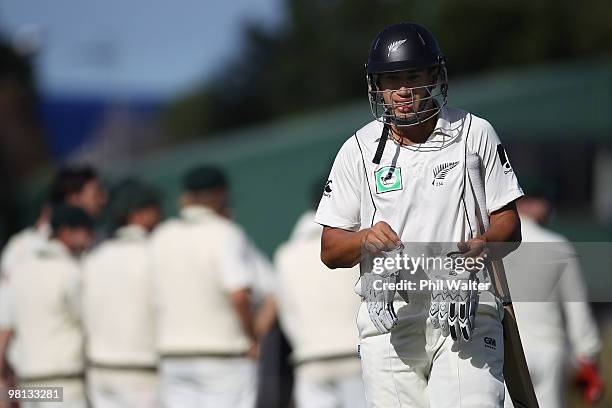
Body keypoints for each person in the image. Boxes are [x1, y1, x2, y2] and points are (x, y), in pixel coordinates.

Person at [315, 22, 523, 407]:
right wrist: (364, 238)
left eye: (413, 76)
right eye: (392, 80)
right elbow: (330, 250)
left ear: (434, 75)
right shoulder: (357, 149)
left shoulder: (474, 133)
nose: (404, 90)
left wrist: (484, 243)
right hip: (390, 319)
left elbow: (509, 223)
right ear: (377, 87)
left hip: (466, 308)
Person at [150, 165, 258, 408]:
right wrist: (252, 337)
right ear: (220, 194)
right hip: (220, 358)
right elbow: (239, 295)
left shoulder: (161, 236)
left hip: (173, 357)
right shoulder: (226, 233)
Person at [503, 178, 604, 407]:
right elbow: (577, 308)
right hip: (550, 352)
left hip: (507, 351)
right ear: (537, 204)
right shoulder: (558, 245)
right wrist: (587, 356)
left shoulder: (495, 244)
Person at [275, 179, 365, 408]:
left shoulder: (286, 254)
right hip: (355, 356)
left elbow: (288, 314)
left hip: (309, 361)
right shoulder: (360, 246)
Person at [0, 205, 95, 408]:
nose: (89, 240)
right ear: (67, 233)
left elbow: (5, 327)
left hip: (29, 382)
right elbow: (88, 320)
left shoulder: (20, 271)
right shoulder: (70, 272)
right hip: (63, 382)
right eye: (86, 233)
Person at [82, 180, 162, 408]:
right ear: (138, 214)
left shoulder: (93, 258)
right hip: (142, 372)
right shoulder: (153, 254)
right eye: (154, 207)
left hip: (100, 372)